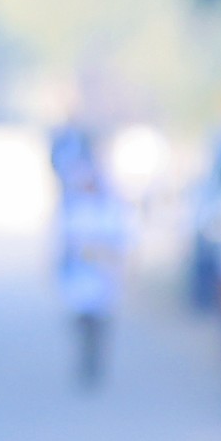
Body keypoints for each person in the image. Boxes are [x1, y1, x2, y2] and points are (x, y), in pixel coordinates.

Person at [53, 130, 130, 390]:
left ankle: (95, 366)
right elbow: (68, 244)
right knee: (82, 322)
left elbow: (123, 243)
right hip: (80, 278)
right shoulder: (75, 208)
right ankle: (84, 364)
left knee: (101, 325)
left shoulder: (111, 209)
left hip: (104, 278)